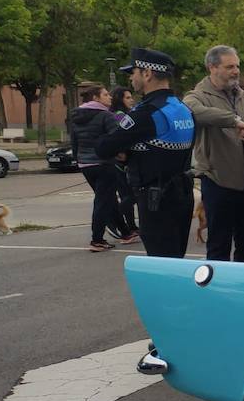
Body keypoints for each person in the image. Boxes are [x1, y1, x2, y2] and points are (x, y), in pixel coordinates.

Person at [96, 48, 195, 258]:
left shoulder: (146, 113)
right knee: (176, 261)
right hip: (183, 194)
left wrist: (126, 153)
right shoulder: (183, 108)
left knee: (161, 266)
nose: (131, 78)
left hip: (155, 199)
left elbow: (104, 148)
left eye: (133, 72)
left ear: (147, 73)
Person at [184, 45, 244, 262]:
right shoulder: (197, 97)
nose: (236, 71)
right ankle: (216, 293)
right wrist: (232, 120)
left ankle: (242, 292)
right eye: (229, 66)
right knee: (218, 248)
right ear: (212, 68)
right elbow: (194, 112)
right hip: (219, 184)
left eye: (237, 66)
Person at [69, 82, 135, 251]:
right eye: (105, 94)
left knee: (108, 199)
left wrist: (78, 160)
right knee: (102, 201)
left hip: (85, 164)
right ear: (96, 98)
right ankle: (97, 239)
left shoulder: (77, 116)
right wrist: (122, 155)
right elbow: (116, 139)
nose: (110, 97)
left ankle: (126, 232)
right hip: (104, 163)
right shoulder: (106, 116)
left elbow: (74, 141)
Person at [108, 86, 140, 240]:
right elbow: (129, 134)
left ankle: (131, 227)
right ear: (119, 100)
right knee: (131, 196)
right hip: (121, 162)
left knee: (127, 195)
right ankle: (113, 219)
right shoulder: (119, 115)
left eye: (131, 97)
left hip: (121, 161)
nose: (131, 100)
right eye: (127, 97)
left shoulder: (121, 114)